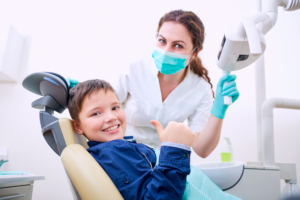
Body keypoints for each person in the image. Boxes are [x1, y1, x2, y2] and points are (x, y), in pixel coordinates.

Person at [67, 9, 240, 156]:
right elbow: (100, 110)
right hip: (121, 155)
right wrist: (78, 95)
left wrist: (218, 111)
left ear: (195, 51)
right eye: (162, 41)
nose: (166, 51)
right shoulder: (134, 69)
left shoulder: (200, 88)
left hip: (160, 160)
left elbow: (202, 150)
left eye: (178, 45)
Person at [68, 79, 194, 200]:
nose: (111, 117)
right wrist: (175, 150)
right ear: (78, 126)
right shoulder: (113, 154)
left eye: (115, 108)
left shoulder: (113, 150)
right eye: (96, 113)